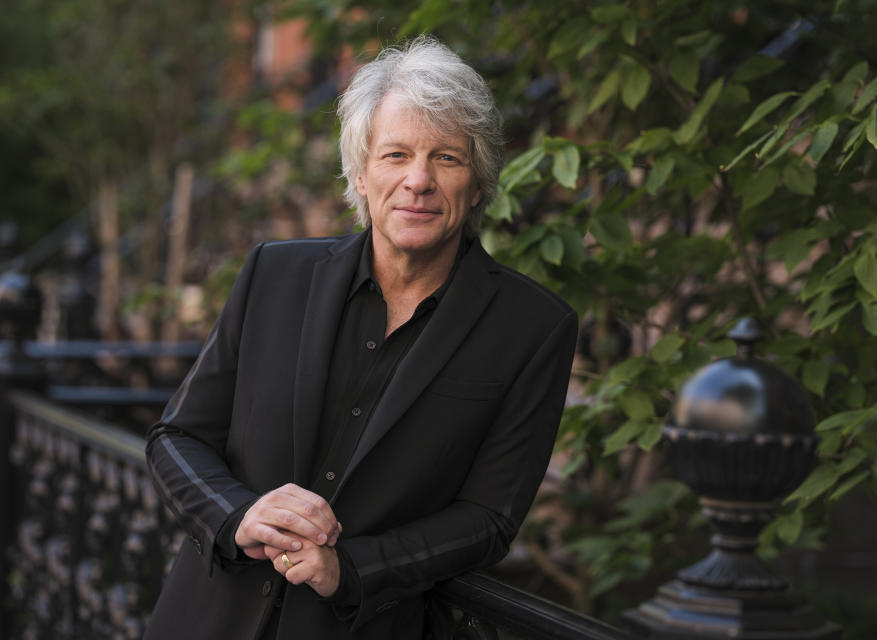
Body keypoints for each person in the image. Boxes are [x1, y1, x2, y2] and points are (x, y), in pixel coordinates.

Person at [144, 36, 578, 640]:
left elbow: (489, 520)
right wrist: (238, 515)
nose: (418, 181)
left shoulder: (533, 327)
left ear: (478, 183)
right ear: (362, 173)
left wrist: (350, 569)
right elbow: (178, 436)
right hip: (207, 620)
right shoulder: (275, 275)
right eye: (396, 155)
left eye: (447, 158)